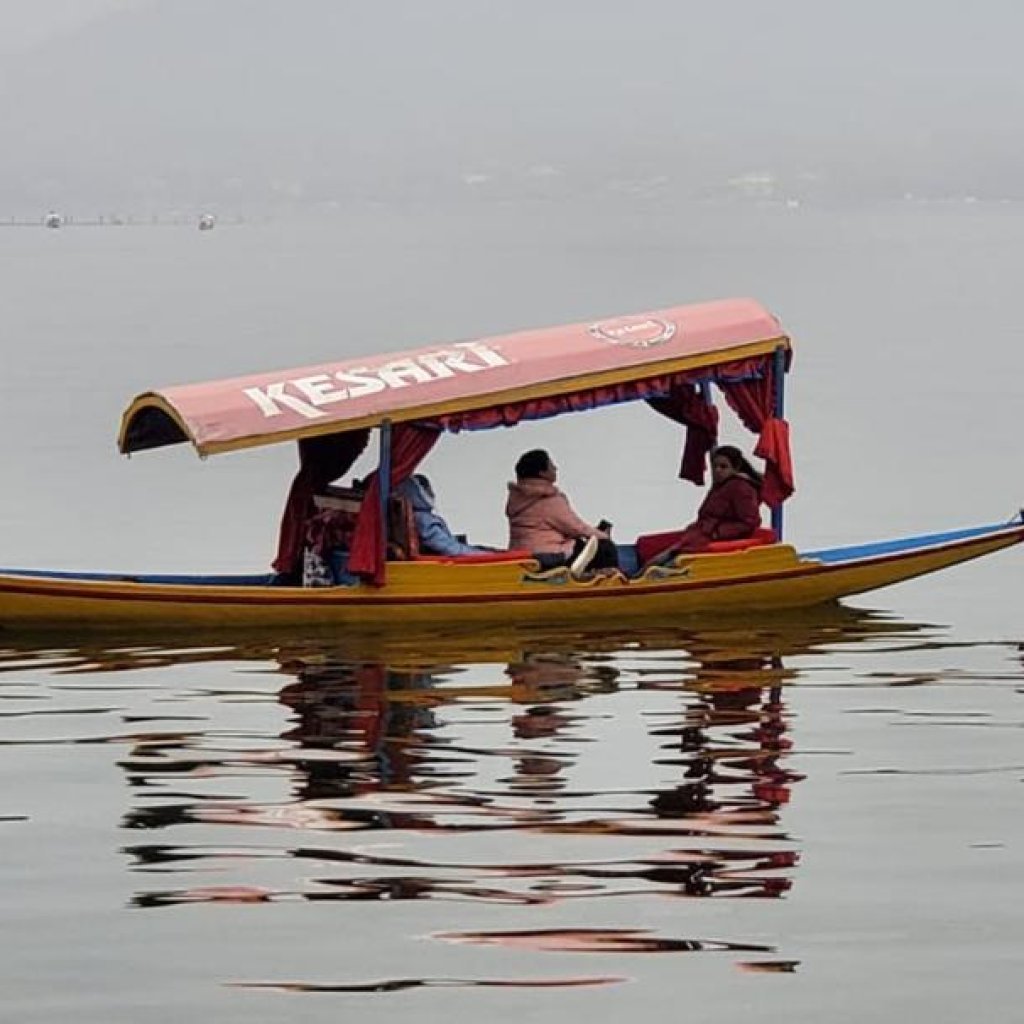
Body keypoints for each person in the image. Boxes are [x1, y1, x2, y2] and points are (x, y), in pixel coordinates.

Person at [505, 449, 618, 574]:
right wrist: (603, 536)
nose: (555, 468)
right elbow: (576, 528)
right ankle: (607, 581)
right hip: (549, 555)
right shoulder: (547, 500)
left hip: (521, 553)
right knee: (605, 547)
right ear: (542, 473)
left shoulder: (518, 498)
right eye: (551, 466)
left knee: (585, 543)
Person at [649, 445, 762, 565]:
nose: (718, 470)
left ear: (735, 468)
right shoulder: (720, 487)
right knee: (658, 558)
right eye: (715, 466)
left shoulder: (741, 488)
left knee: (668, 563)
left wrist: (718, 532)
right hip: (699, 537)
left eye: (724, 467)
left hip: (713, 541)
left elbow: (749, 522)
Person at [394, 474, 494, 556]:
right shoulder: (424, 520)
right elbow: (449, 548)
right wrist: (484, 555)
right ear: (420, 492)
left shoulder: (422, 517)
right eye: (429, 490)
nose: (433, 494)